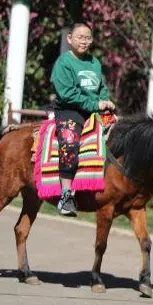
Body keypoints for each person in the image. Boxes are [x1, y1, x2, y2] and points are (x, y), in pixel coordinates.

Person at [50, 23, 115, 217]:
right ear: (69, 39)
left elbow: (101, 87)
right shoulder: (63, 63)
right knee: (69, 143)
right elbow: (68, 94)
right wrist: (96, 104)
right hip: (70, 110)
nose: (84, 41)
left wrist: (105, 102)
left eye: (88, 37)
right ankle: (66, 196)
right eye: (80, 37)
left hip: (93, 109)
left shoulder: (95, 62)